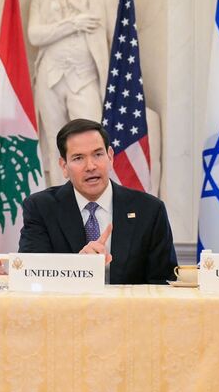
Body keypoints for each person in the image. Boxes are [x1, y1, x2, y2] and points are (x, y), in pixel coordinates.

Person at [18, 118, 176, 284]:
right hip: (65, 309)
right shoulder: (41, 208)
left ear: (110, 157)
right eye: (78, 158)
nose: (91, 166)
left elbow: (163, 283)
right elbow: (30, 277)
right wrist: (76, 268)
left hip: (128, 309)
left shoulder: (149, 210)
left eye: (98, 154)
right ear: (64, 166)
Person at [27, 0, 118, 186]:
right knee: (56, 144)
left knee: (92, 138)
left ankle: (93, 199)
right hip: (50, 76)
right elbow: (34, 35)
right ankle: (58, 202)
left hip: (86, 76)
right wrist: (72, 23)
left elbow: (117, 39)